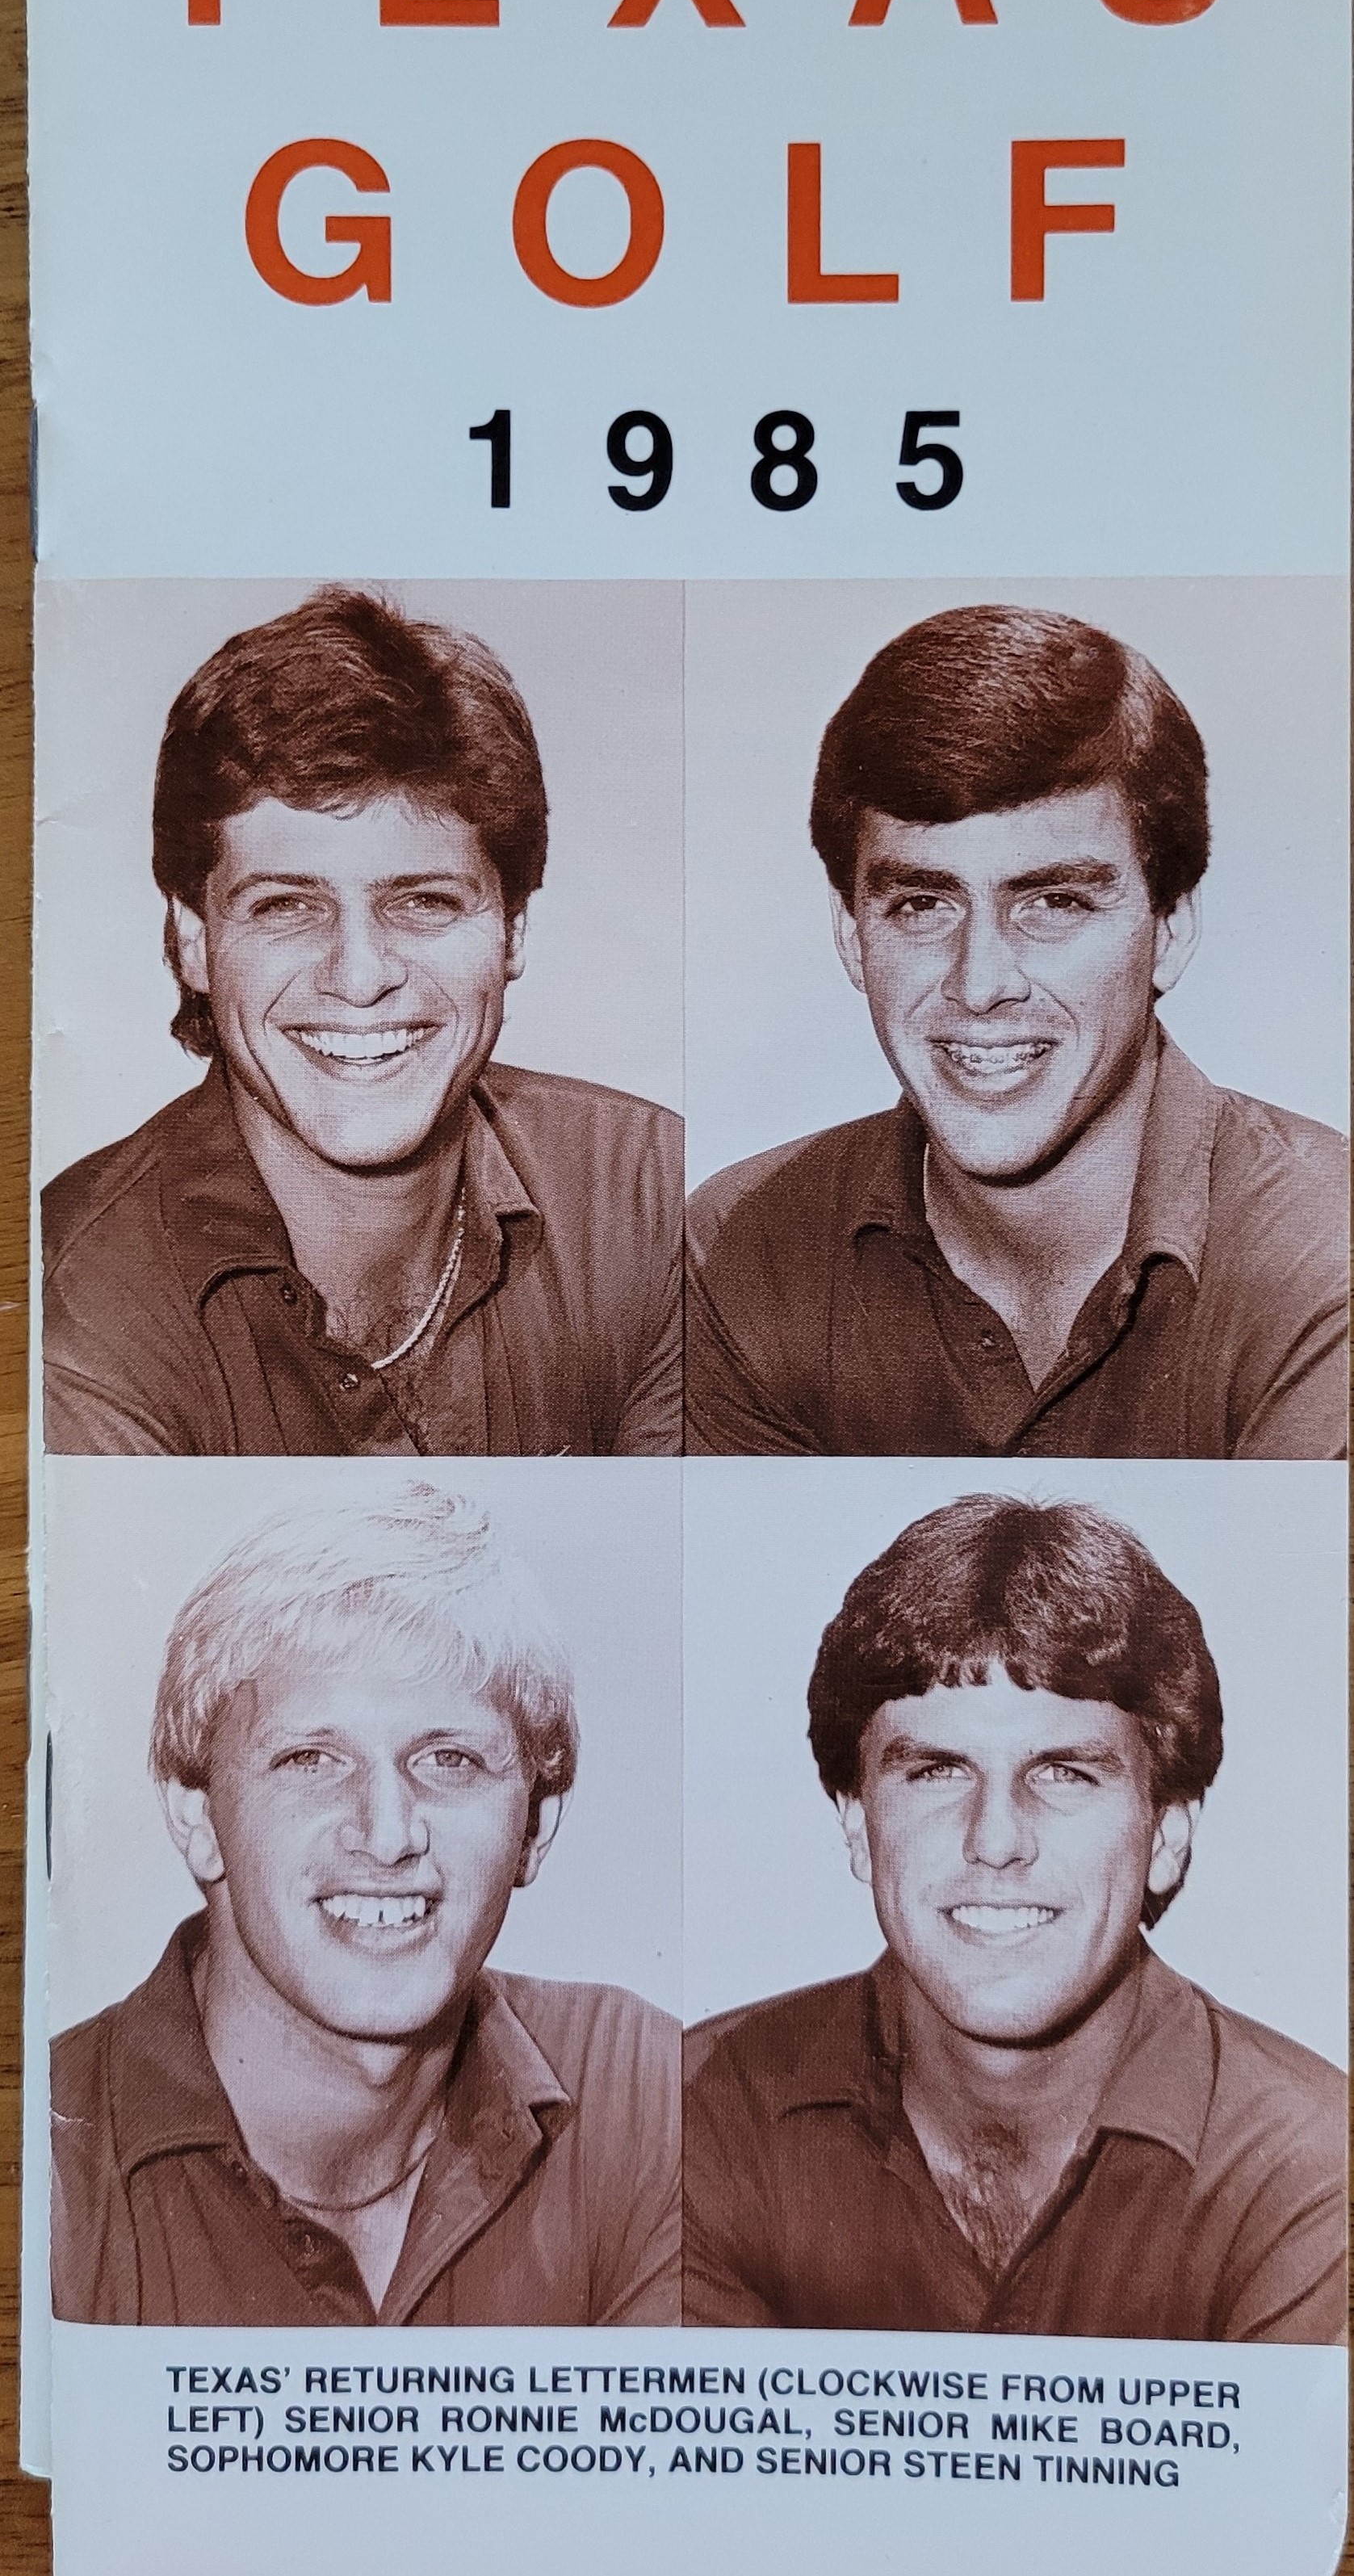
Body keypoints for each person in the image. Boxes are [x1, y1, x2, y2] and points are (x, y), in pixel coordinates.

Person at [685, 606, 1347, 1457]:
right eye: (922, 904)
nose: (981, 983)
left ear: (1170, 928)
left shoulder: (1328, 1256)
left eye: (1054, 903)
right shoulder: (743, 1246)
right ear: (853, 935)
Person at [682, 1496, 1346, 2340]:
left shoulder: (1309, 2168)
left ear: (1168, 1835)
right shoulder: (699, 2109)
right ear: (858, 1826)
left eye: (1065, 1772)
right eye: (937, 1771)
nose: (994, 1840)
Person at [43, 585, 681, 1455]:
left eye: (422, 900)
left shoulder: (648, 1196)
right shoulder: (74, 1298)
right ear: (194, 939)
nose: (360, 975)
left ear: (512, 929)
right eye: (286, 906)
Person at [52, 1485, 681, 2326]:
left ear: (534, 1824)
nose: (387, 1835)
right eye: (312, 1758)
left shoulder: (639, 2089)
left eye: (449, 1758)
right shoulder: (51, 2160)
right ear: (195, 1815)